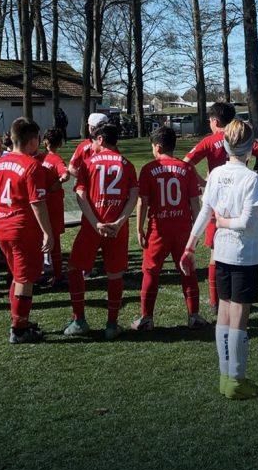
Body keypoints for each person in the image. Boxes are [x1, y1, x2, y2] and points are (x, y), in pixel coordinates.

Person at [181, 118, 258, 400]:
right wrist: (223, 223)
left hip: (221, 253)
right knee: (239, 317)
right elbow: (245, 222)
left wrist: (190, 247)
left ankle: (225, 376)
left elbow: (204, 212)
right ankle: (236, 380)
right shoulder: (252, 178)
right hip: (243, 255)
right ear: (250, 147)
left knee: (224, 313)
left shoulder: (217, 174)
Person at [183, 102, 258, 314]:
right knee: (241, 248)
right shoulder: (243, 137)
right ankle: (237, 299)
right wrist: (257, 174)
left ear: (215, 121)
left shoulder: (210, 141)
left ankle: (217, 301)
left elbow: (186, 162)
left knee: (216, 254)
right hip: (242, 199)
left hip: (219, 202)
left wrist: (204, 183)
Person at [65, 123, 138, 340]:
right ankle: (112, 325)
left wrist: (96, 223)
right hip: (117, 228)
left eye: (93, 140)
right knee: (115, 274)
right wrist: (120, 222)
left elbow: (81, 195)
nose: (92, 145)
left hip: (92, 226)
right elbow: (133, 196)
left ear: (101, 140)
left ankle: (79, 321)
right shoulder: (127, 164)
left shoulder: (88, 164)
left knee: (75, 268)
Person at [0, 118, 54, 344]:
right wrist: (47, 232)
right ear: (33, 140)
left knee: (17, 276)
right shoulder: (32, 165)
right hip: (22, 228)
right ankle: (19, 329)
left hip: (3, 225)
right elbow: (37, 202)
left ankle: (20, 320)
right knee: (25, 278)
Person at [133, 126, 205, 331]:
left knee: (150, 271)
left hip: (158, 230)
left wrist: (139, 229)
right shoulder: (187, 168)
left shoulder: (148, 169)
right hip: (183, 230)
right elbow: (194, 202)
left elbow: (142, 202)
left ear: (157, 147)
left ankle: (147, 318)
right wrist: (196, 231)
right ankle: (194, 316)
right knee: (187, 270)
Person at [38, 127, 69, 288]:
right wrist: (58, 182)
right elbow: (66, 175)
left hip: (38, 203)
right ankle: (57, 275)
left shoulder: (37, 158)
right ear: (60, 144)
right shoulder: (56, 159)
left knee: (38, 237)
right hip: (53, 203)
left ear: (45, 142)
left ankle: (38, 272)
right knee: (54, 239)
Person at [67, 112, 111, 179]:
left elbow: (72, 168)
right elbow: (71, 168)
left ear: (91, 128)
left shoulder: (83, 146)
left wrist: (86, 180)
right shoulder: (110, 146)